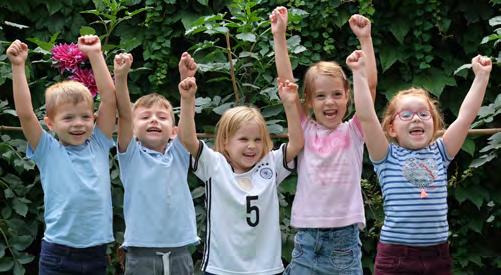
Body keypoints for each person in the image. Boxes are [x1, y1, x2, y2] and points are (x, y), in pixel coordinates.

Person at [347, 49, 492, 274]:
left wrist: (481, 77)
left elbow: (465, 118)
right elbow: (366, 116)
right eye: (406, 115)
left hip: (438, 255)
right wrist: (358, 73)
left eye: (424, 114)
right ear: (392, 128)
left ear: (434, 125)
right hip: (395, 257)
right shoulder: (386, 156)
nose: (416, 118)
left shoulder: (440, 152)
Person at [270, 6, 377, 274]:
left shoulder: (354, 130)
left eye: (336, 95)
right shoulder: (304, 129)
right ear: (308, 102)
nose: (329, 102)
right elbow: (286, 84)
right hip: (306, 239)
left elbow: (370, 86)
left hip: (344, 242)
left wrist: (365, 39)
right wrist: (279, 35)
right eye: (320, 96)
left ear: (348, 96)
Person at [6, 35, 116, 275]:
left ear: (94, 119)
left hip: (97, 254)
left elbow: (109, 100)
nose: (78, 124)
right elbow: (25, 115)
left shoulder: (98, 143)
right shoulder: (48, 151)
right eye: (68, 118)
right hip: (58, 255)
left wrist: (95, 55)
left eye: (85, 117)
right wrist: (17, 67)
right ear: (50, 123)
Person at [177, 71, 303, 274]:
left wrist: (289, 104)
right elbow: (188, 139)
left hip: (267, 268)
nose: (252, 146)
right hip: (223, 268)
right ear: (226, 141)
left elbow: (297, 143)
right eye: (243, 139)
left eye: (257, 140)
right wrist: (187, 99)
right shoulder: (214, 165)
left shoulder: (270, 163)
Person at [113, 51, 199, 275]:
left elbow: (189, 129)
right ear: (133, 129)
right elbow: (123, 114)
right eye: (144, 117)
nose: (153, 120)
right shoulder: (130, 156)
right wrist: (120, 78)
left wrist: (187, 88)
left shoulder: (178, 155)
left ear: (173, 131)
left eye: (161, 117)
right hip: (141, 255)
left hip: (180, 251)